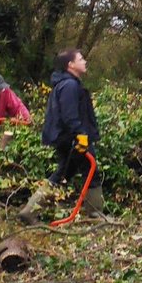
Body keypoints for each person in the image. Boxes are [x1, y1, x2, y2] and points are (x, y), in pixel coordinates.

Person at [18, 50, 104, 224]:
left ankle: (30, 211)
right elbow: (69, 115)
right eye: (81, 59)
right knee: (82, 171)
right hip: (71, 138)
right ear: (70, 65)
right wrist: (80, 135)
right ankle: (94, 215)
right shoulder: (69, 86)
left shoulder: (69, 84)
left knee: (66, 173)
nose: (85, 61)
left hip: (70, 137)